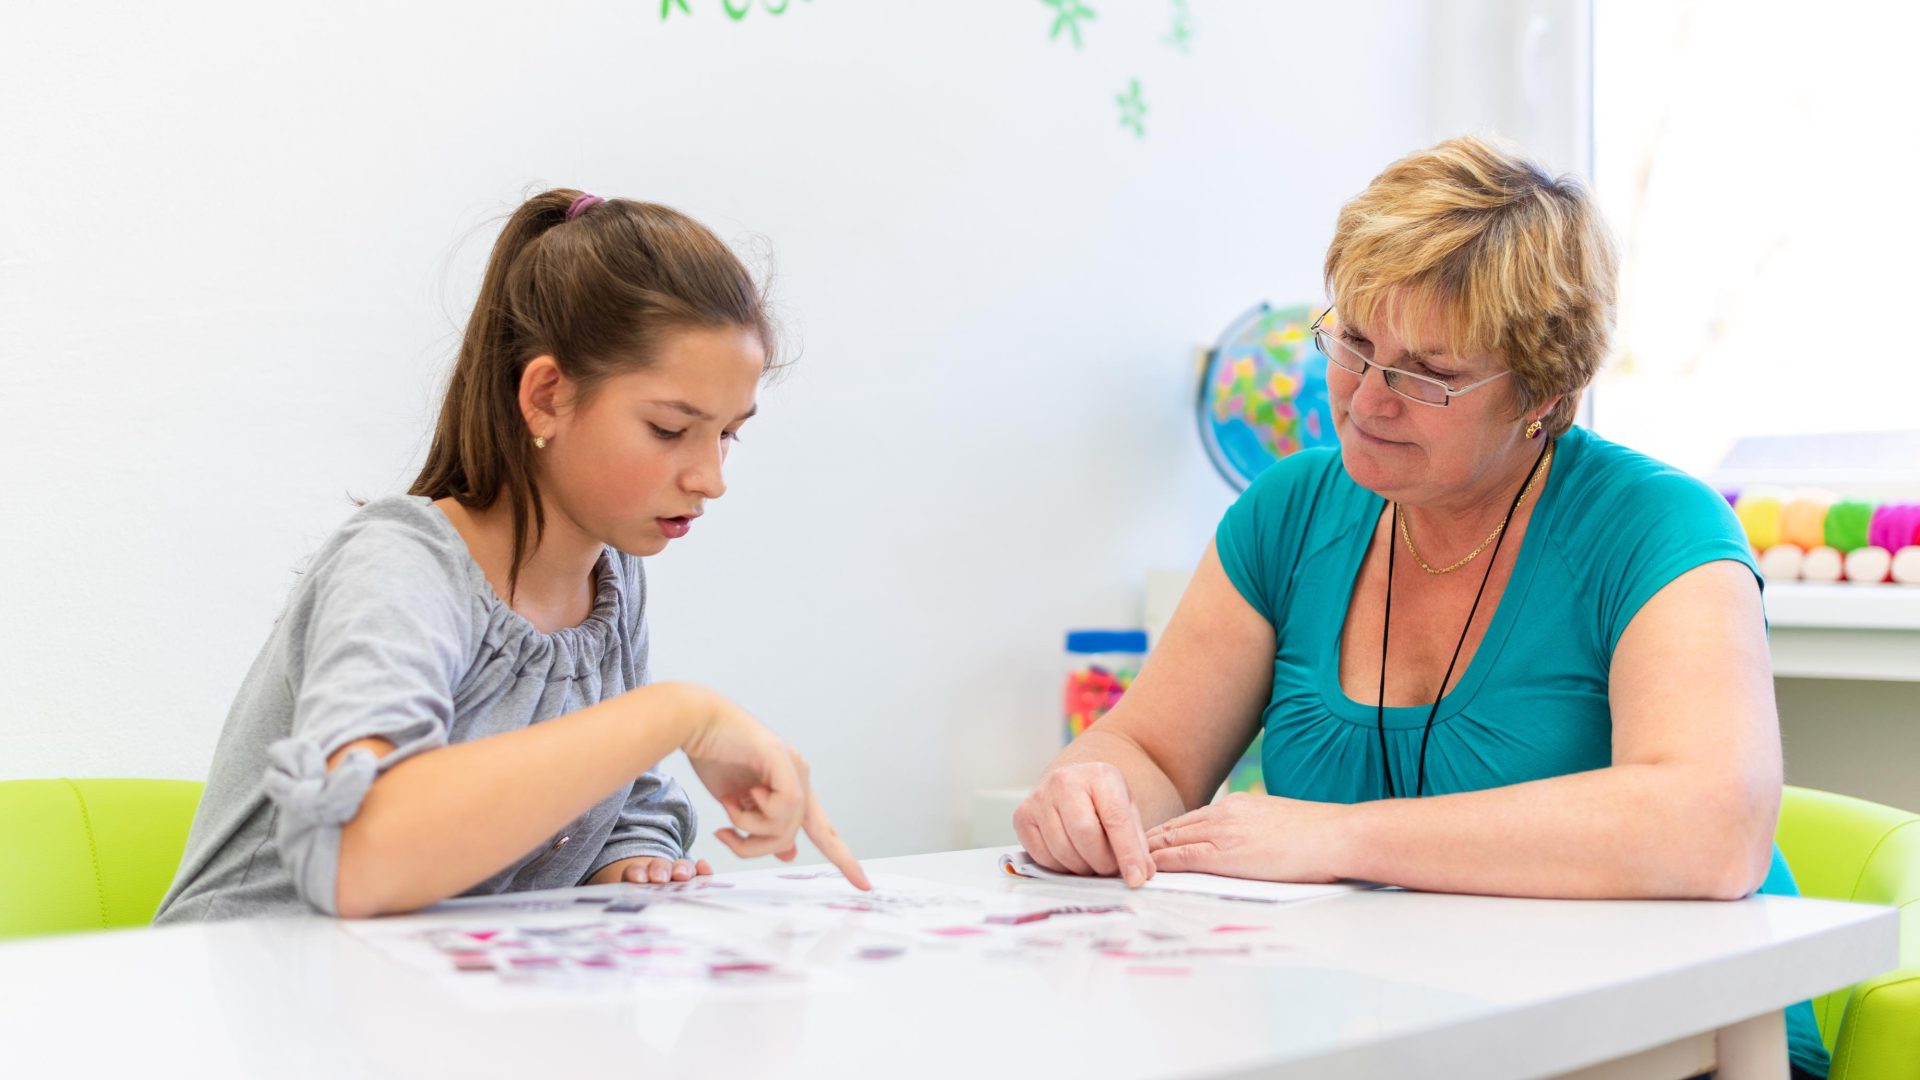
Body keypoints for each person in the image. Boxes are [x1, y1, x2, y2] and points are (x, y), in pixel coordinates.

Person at [1013, 137, 1827, 1077]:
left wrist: (1335, 837)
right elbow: (1150, 751)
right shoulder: (1290, 510)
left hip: (1676, 1040)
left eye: (1427, 375)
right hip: (1391, 1024)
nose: (1365, 399)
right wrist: (1094, 791)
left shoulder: (1656, 527)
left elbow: (1710, 827)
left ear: (1542, 396)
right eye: (1354, 344)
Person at [158, 190, 867, 924]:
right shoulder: (401, 567)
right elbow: (357, 859)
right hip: (252, 1007)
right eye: (668, 429)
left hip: (416, 1009)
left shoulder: (612, 580)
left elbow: (618, 804)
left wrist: (627, 865)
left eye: (728, 435)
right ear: (547, 396)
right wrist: (677, 714)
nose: (711, 479)